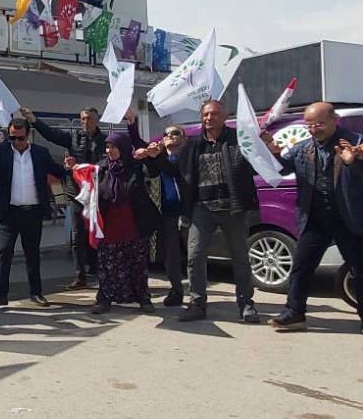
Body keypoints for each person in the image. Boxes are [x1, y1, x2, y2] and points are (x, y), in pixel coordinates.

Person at [147, 100, 261, 323]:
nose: (209, 118)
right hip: (201, 208)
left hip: (232, 207)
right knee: (195, 256)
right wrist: (157, 157)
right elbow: (173, 170)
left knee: (240, 258)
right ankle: (197, 304)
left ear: (225, 116)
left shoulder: (239, 140)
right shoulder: (191, 145)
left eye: (214, 114)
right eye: (206, 114)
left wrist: (266, 147)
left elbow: (257, 164)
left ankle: (246, 304)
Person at [264, 102, 363, 331]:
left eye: (319, 124)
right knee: (301, 265)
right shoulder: (303, 148)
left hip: (348, 217)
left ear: (334, 119)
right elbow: (282, 168)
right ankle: (294, 313)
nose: (314, 129)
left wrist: (355, 160)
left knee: (359, 267)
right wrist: (275, 153)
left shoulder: (354, 141)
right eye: (309, 125)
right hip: (314, 219)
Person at [0, 118, 66, 308]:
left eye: (20, 138)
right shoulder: (1, 152)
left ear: (28, 135)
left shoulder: (41, 153)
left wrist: (72, 167)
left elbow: (58, 171)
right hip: (9, 212)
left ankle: (36, 293)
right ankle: (1, 293)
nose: (16, 142)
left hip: (32, 212)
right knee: (5, 252)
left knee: (32, 254)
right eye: (12, 138)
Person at [22, 105, 107, 290]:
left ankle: (102, 273)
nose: (86, 122)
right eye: (83, 119)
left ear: (97, 120)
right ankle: (80, 277)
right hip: (76, 194)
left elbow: (105, 163)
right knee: (77, 237)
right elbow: (51, 134)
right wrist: (34, 120)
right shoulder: (73, 138)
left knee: (99, 234)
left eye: (90, 118)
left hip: (98, 195)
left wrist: (84, 166)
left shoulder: (105, 140)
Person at [82, 133, 160, 314]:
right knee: (107, 266)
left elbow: (154, 171)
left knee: (138, 265)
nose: (110, 151)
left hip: (134, 224)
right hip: (109, 226)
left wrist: (150, 155)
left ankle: (143, 298)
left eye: (114, 147)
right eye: (108, 147)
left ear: (123, 147)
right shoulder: (102, 168)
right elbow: (87, 180)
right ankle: (104, 299)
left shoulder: (136, 165)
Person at [124, 111, 187, 307]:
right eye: (166, 133)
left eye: (175, 133)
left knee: (194, 255)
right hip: (167, 214)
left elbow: (173, 170)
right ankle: (176, 291)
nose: (169, 136)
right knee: (171, 255)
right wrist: (132, 122)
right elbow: (138, 143)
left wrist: (155, 156)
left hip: (190, 212)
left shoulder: (188, 155)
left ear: (184, 139)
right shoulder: (158, 157)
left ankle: (198, 294)